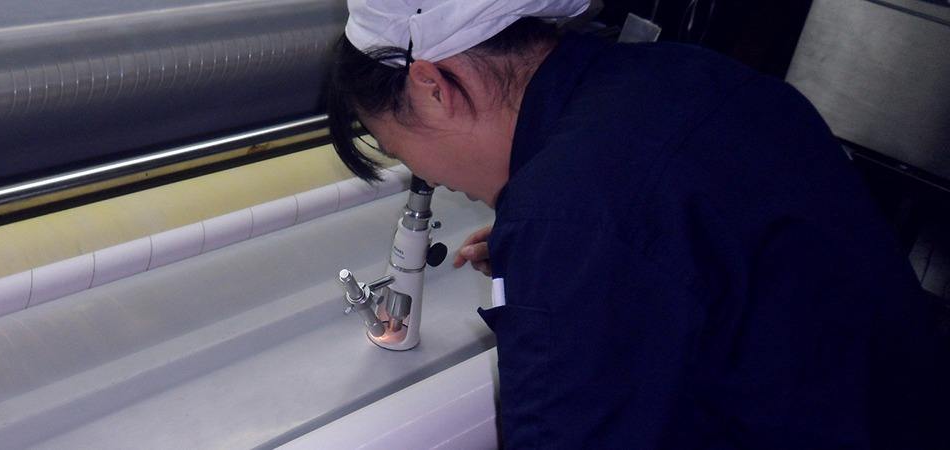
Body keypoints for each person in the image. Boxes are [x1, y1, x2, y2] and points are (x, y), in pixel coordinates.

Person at [326, 1, 949, 448]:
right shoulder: (682, 76)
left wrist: (564, 256)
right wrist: (565, 257)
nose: (432, 178)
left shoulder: (576, 214)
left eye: (405, 152)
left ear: (433, 86)